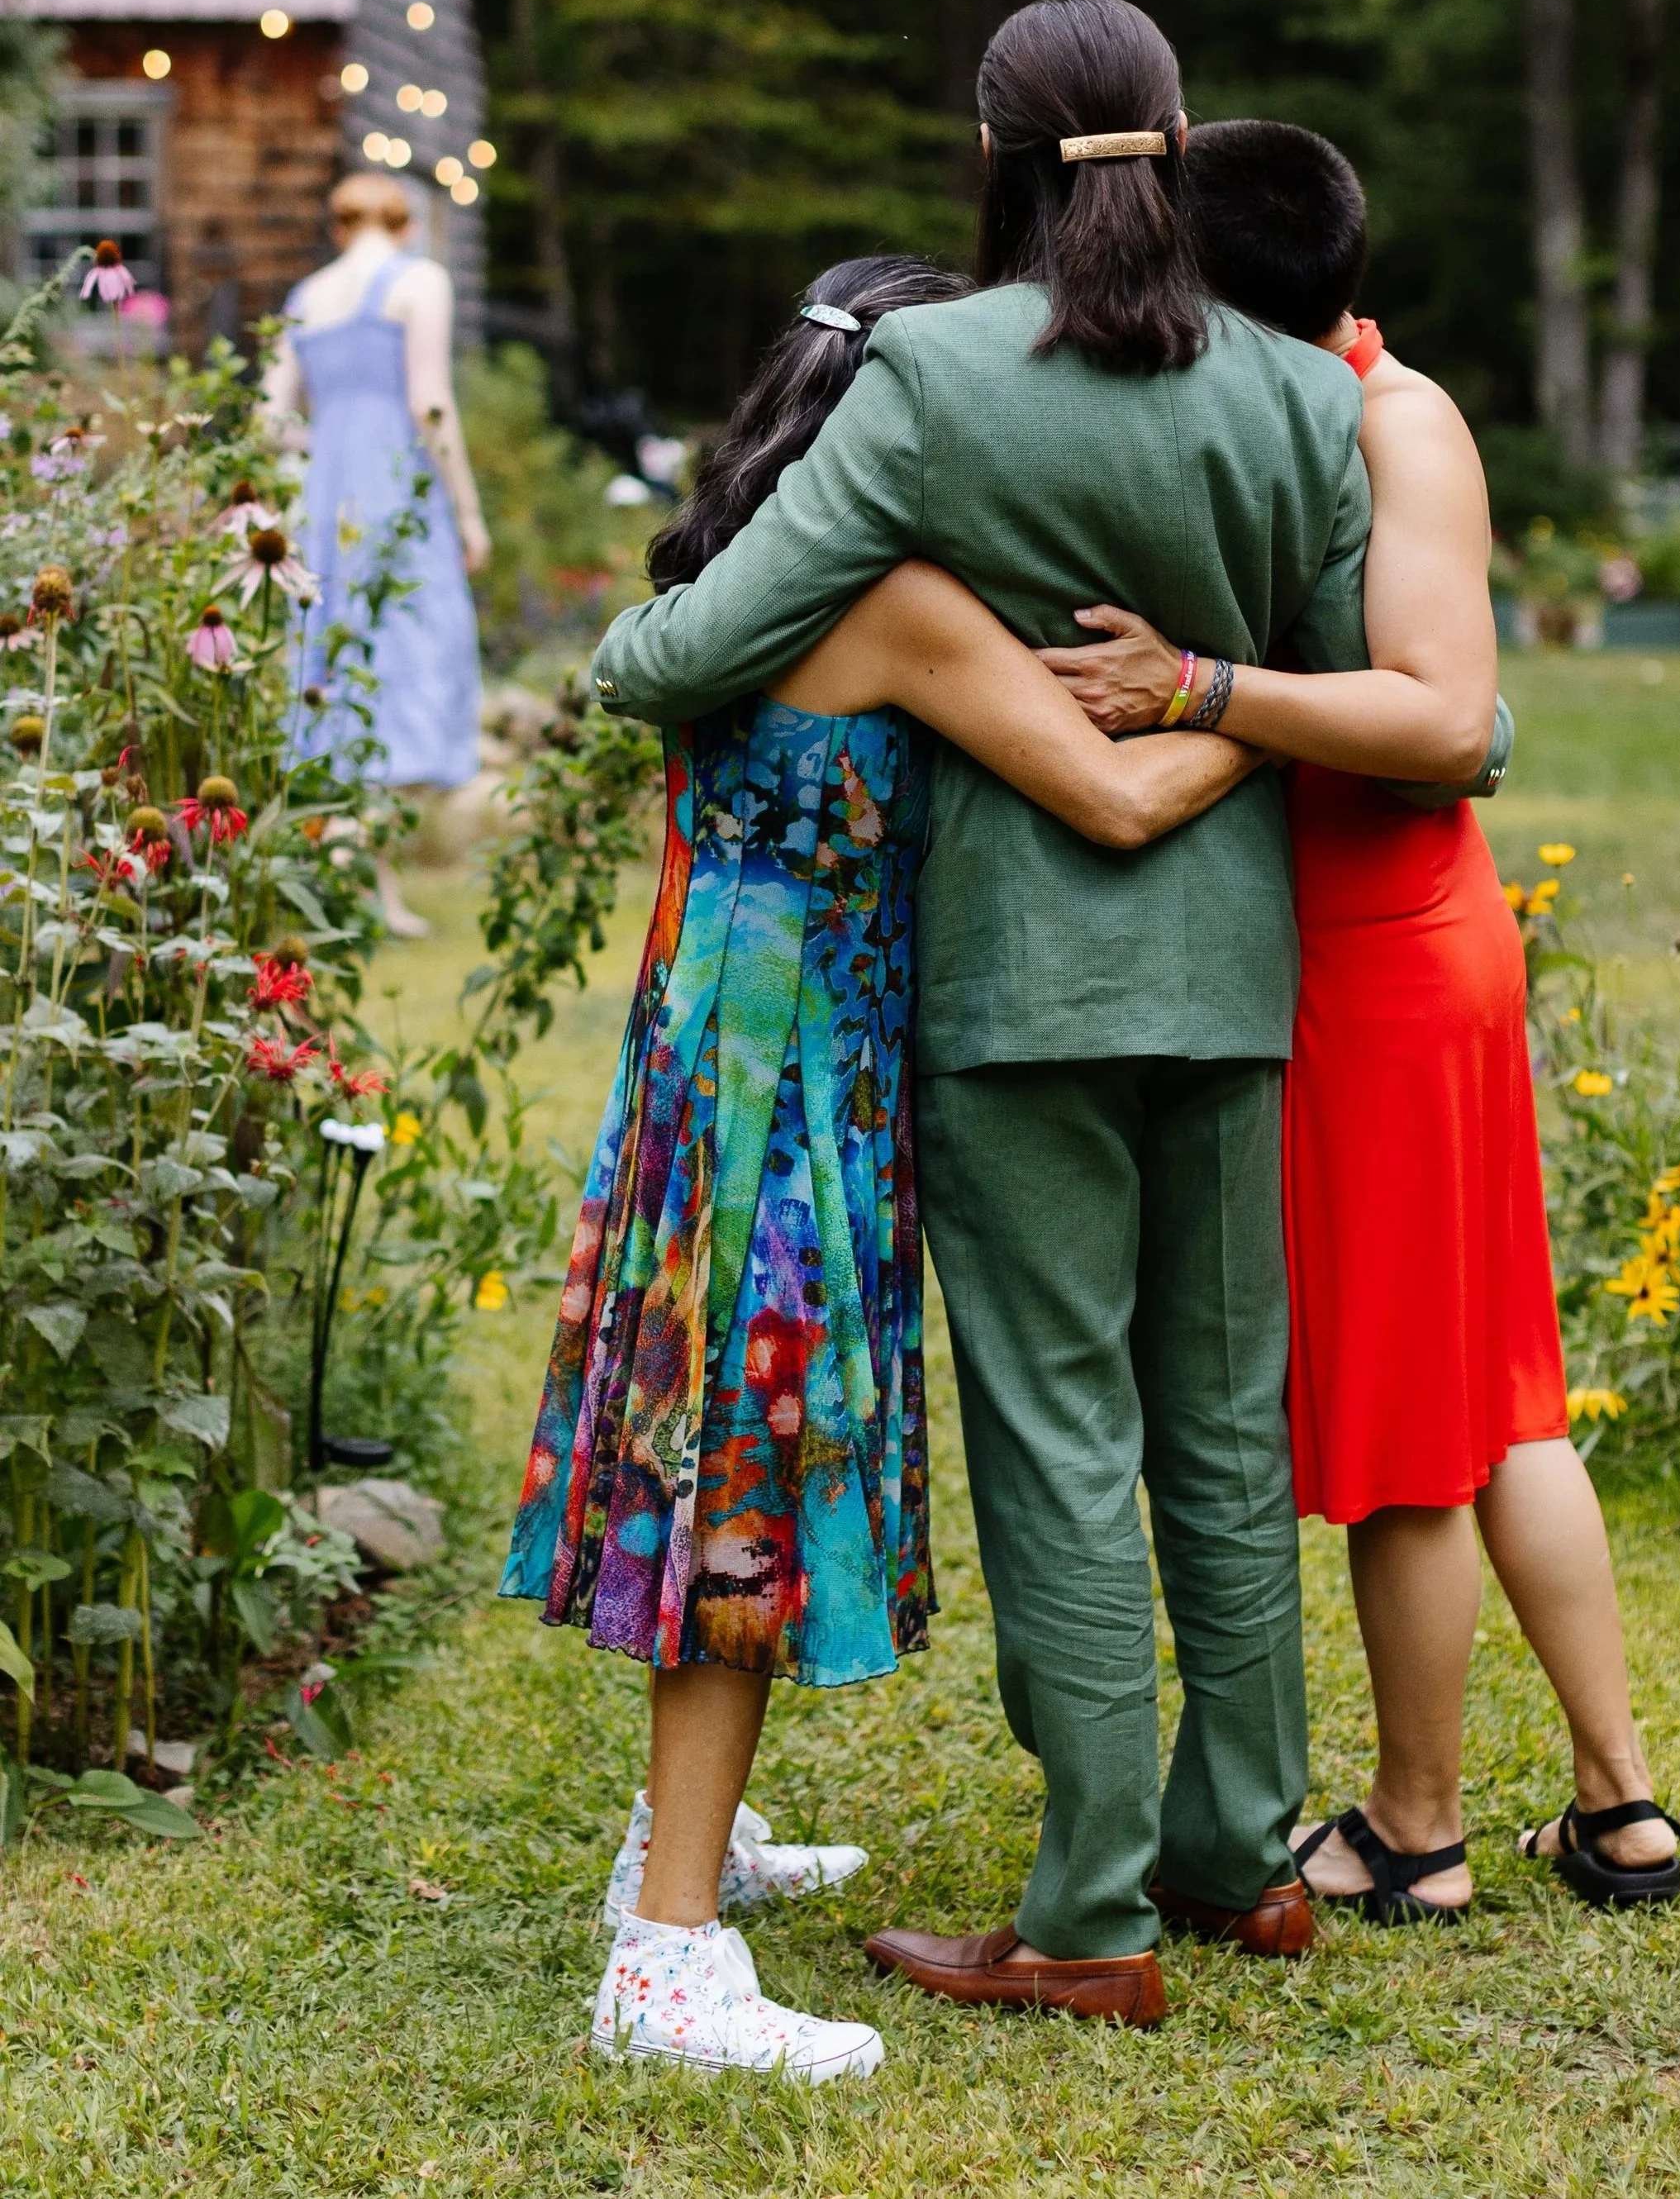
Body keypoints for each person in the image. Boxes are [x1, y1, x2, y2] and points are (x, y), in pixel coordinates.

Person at [586, 0, 1487, 2031]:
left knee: (1066, 1434)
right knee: (1227, 1431)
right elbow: (1399, 707)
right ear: (1180, 145)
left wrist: (653, 632)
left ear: (991, 158)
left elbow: (698, 648)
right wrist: (1229, 686)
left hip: (1016, 991)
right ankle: (1241, 1858)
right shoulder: (1291, 393)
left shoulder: (929, 371)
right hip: (1234, 980)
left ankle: (1087, 1911)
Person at [507, 251, 1278, 2079]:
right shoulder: (895, 592)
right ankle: (666, 1958)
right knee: (743, 1483)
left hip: (711, 1046)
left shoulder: (736, 563)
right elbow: (1109, 790)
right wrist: (1273, 705)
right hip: (792, 1079)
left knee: (709, 1459)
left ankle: (675, 1850)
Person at [1041, 119, 1680, 1921]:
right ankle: (1615, 1801)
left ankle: (1415, 1829)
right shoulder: (1273, 411)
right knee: (1499, 1395)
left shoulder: (1382, 418)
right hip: (1383, 942)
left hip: (1384, 951)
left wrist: (1199, 686)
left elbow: (1441, 715)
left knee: (1424, 1415)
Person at [260, 174, 491, 938]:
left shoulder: (307, 294)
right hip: (398, 501)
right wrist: (465, 508)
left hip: (328, 508)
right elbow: (430, 401)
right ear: (404, 222)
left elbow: (269, 419)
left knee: (338, 664)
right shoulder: (420, 279)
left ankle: (367, 882)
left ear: (337, 224)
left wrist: (326, 446)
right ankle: (368, 867)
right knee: (419, 652)